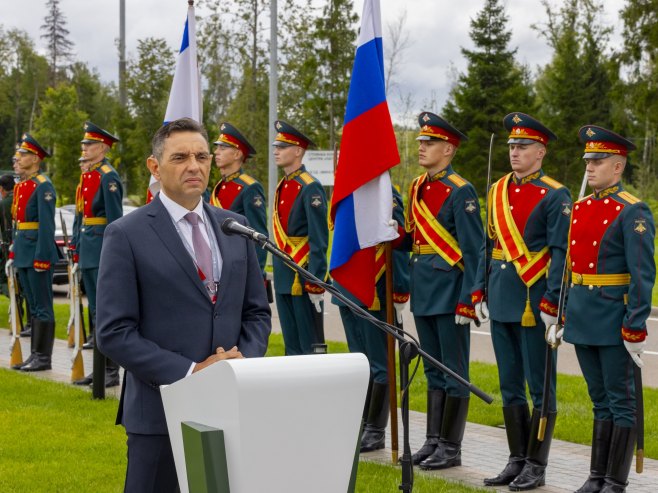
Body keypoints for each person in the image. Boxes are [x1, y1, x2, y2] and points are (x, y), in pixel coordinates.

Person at [96, 118, 271, 493]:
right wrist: (194, 371)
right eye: (180, 157)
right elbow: (113, 332)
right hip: (159, 412)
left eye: (202, 156)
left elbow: (256, 311)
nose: (194, 165)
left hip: (231, 406)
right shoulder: (127, 234)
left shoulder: (235, 226)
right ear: (154, 167)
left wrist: (241, 364)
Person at [551, 126, 655, 493]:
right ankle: (596, 476)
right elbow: (569, 266)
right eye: (587, 161)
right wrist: (561, 311)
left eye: (597, 161)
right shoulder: (579, 208)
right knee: (599, 402)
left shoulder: (633, 211)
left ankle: (615, 480)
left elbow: (643, 275)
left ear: (617, 166)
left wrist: (635, 326)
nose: (590, 168)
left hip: (613, 318)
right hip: (582, 314)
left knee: (621, 402)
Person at [473, 112, 571, 490]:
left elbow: (561, 254)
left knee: (539, 385)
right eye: (512, 146)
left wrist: (553, 303)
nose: (515, 152)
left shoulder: (555, 195)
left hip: (534, 303)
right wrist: (479, 290)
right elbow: (489, 245)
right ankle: (516, 458)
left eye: (523, 146)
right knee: (510, 383)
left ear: (540, 152)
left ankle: (537, 463)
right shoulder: (497, 190)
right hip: (501, 296)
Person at [400, 112, 483, 470]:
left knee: (454, 370)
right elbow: (411, 238)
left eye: (429, 142)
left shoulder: (460, 190)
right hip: (424, 287)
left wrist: (470, 298)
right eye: (420, 141)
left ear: (448, 149)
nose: (421, 147)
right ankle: (433, 440)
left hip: (450, 291)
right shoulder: (418, 186)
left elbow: (474, 250)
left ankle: (451, 446)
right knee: (433, 368)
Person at [331, 183, 409, 453]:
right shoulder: (348, 192)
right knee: (359, 362)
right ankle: (361, 423)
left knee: (379, 363)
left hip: (373, 287)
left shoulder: (386, 192)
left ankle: (376, 430)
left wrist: (399, 289)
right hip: (348, 288)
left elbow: (394, 243)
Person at [68, 122, 124, 387]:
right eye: (83, 144)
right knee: (94, 310)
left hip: (103, 248)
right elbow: (82, 217)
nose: (84, 148)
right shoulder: (89, 176)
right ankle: (99, 370)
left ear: (102, 147)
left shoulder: (107, 176)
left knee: (105, 311)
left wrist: (115, 254)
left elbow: (114, 221)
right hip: (89, 250)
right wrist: (77, 249)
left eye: (89, 144)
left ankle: (110, 370)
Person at [271, 120, 328, 355]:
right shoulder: (283, 185)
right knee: (291, 345)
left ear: (297, 151)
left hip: (302, 273)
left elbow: (319, 238)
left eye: (282, 147)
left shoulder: (310, 187)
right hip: (285, 271)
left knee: (309, 344)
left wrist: (315, 279)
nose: (276, 151)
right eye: (276, 146)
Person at [7, 133, 58, 372]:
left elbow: (47, 226)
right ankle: (35, 355)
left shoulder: (43, 185)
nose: (19, 158)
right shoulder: (23, 185)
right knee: (32, 305)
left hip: (37, 252)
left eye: (24, 154)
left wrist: (43, 256)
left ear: (36, 158)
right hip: (23, 251)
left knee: (42, 306)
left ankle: (44, 358)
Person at [210, 122, 268, 275]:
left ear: (237, 154)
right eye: (217, 147)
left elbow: (257, 235)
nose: (216, 152)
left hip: (239, 266)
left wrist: (255, 274)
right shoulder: (219, 186)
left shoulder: (250, 187)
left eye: (222, 148)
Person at [0, 173, 16, 297]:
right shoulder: (19, 199)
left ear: (1, 188)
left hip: (8, 247)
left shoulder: (3, 204)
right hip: (21, 244)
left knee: (6, 280)